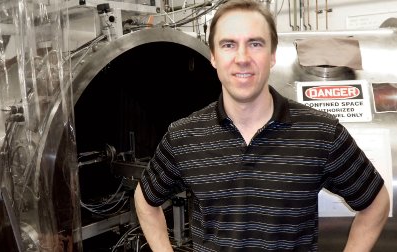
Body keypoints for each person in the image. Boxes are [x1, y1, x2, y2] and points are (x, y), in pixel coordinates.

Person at [134, 0, 390, 251]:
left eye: (255, 44)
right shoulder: (184, 136)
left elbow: (376, 204)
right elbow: (145, 201)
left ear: (272, 56)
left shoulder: (321, 133)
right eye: (228, 45)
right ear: (213, 56)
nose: (242, 58)